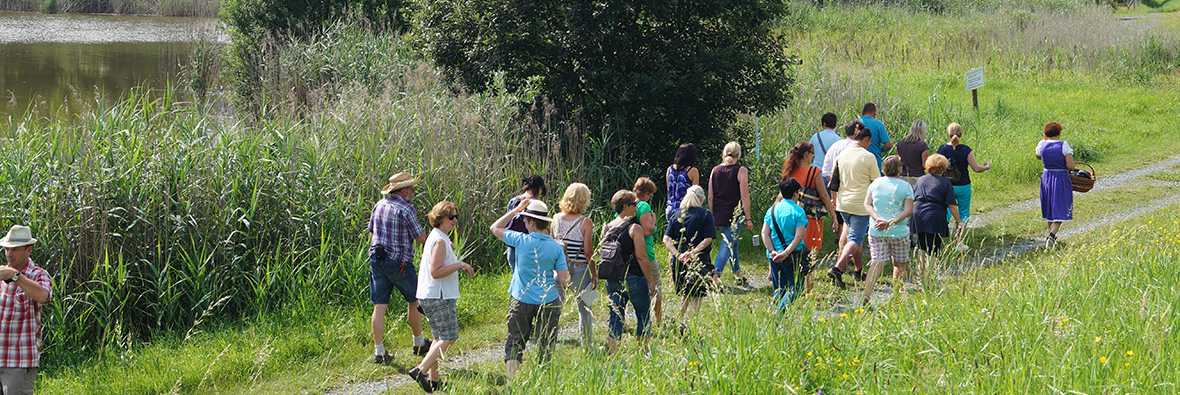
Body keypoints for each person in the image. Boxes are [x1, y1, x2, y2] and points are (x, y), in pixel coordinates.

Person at [490, 199, 569, 379]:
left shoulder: (520, 240)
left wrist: (515, 210)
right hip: (548, 300)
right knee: (546, 343)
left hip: (521, 298)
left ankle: (512, 383)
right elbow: (563, 278)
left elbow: (495, 228)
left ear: (531, 222)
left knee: (515, 340)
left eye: (525, 220)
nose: (524, 224)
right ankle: (542, 382)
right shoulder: (556, 247)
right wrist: (550, 276)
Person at [408, 202, 476, 393]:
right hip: (439, 296)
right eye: (451, 217)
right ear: (440, 219)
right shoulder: (439, 240)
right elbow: (436, 271)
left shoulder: (438, 238)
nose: (455, 220)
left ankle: (435, 381)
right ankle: (420, 370)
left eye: (456, 217)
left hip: (429, 295)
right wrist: (460, 264)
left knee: (438, 339)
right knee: (449, 337)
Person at [368, 173, 430, 364]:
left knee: (380, 306)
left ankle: (379, 352)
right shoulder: (406, 209)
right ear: (404, 191)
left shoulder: (379, 205)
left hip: (377, 260)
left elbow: (371, 232)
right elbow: (420, 238)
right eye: (411, 189)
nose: (413, 192)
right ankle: (418, 342)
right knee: (414, 300)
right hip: (400, 263)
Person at [780, 141, 837, 296]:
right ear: (807, 154)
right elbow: (824, 195)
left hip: (790, 217)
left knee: (792, 252)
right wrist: (834, 216)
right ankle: (809, 292)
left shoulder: (789, 171)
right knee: (810, 257)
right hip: (810, 219)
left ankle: (788, 289)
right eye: (812, 153)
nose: (813, 156)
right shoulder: (814, 172)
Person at [0, 225, 52, 395]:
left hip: (19, 359)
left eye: (14, 249)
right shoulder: (1, 274)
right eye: (7, 249)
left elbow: (43, 296)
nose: (9, 253)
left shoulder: (39, 275)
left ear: (29, 250)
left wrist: (15, 276)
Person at [827, 126, 880, 289]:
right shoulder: (868, 157)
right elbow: (876, 183)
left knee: (853, 236)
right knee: (855, 239)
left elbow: (834, 181)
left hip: (844, 204)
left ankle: (858, 271)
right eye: (869, 142)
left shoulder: (842, 155)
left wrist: (834, 201)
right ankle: (838, 268)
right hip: (860, 204)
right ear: (866, 139)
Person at [603, 190, 656, 354]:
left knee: (616, 316)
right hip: (634, 277)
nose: (637, 207)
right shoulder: (635, 228)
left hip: (613, 278)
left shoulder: (607, 227)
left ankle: (613, 355)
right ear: (625, 207)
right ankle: (644, 353)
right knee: (643, 314)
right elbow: (641, 256)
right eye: (634, 204)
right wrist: (651, 281)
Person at [862, 156, 914, 306]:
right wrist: (890, 222)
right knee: (899, 263)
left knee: (877, 262)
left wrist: (878, 219)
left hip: (877, 230)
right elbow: (908, 210)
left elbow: (867, 204)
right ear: (899, 168)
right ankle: (897, 297)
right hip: (898, 231)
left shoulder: (875, 184)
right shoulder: (906, 186)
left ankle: (866, 296)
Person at [661, 185, 714, 333]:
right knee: (697, 295)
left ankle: (680, 321)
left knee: (686, 294)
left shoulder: (677, 214)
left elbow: (666, 239)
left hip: (679, 262)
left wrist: (678, 255)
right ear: (701, 198)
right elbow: (708, 238)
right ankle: (689, 326)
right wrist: (694, 252)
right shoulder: (705, 214)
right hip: (700, 260)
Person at [552, 183, 596, 349]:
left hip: (558, 269)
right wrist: (594, 274)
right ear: (584, 200)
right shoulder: (585, 222)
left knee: (554, 309)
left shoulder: (555, 219)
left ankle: (549, 343)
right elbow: (588, 252)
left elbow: (552, 246)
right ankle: (587, 347)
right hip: (579, 269)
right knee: (585, 310)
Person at [936, 122, 992, 251]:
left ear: (948, 134)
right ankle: (959, 243)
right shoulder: (966, 150)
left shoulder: (941, 149)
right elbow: (976, 168)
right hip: (963, 185)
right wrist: (987, 166)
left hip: (946, 186)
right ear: (961, 134)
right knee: (963, 214)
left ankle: (938, 243)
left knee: (944, 212)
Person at [823, 120, 866, 277]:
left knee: (843, 229)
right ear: (858, 133)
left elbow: (827, 171)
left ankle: (844, 263)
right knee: (855, 233)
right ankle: (850, 268)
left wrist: (836, 188)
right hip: (853, 195)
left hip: (839, 195)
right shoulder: (856, 149)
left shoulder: (835, 145)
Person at [709, 141, 753, 285]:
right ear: (738, 154)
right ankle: (715, 274)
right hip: (735, 213)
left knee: (732, 243)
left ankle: (737, 272)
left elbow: (710, 196)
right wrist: (748, 218)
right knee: (727, 244)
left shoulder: (714, 170)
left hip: (719, 212)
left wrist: (712, 214)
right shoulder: (741, 170)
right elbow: (745, 197)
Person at [910, 154, 960, 283]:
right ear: (944, 168)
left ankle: (921, 275)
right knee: (934, 247)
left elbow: (913, 197)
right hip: (934, 215)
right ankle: (929, 278)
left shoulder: (920, 180)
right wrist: (959, 222)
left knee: (921, 244)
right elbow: (952, 205)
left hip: (918, 212)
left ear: (928, 166)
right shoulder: (946, 183)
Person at [761, 178, 809, 309]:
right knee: (796, 289)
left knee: (779, 289)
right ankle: (779, 314)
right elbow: (798, 236)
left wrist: (772, 251)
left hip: (774, 256)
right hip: (793, 255)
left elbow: (764, 233)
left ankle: (777, 319)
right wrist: (786, 253)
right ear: (795, 193)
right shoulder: (798, 211)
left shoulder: (771, 210)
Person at [620, 177, 661, 325]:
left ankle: (622, 319)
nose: (650, 198)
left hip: (625, 255)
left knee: (627, 288)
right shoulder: (643, 206)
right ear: (645, 194)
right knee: (657, 285)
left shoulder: (623, 206)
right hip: (645, 252)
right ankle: (658, 320)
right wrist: (654, 221)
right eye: (650, 195)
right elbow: (648, 231)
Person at [1036, 121, 1075, 248]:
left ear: (1046, 133)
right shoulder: (1064, 146)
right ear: (1059, 133)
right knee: (1062, 206)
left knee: (1050, 206)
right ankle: (1051, 236)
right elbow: (1070, 166)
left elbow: (1038, 156)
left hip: (1047, 177)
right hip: (1060, 178)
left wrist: (1044, 139)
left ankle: (1051, 235)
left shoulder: (1042, 145)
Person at [504, 175, 548, 271]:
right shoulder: (534, 204)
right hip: (528, 246)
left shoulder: (513, 201)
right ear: (539, 188)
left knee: (516, 277)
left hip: (512, 245)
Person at [665, 143, 701, 220]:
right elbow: (695, 193)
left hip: (670, 209)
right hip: (684, 210)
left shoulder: (669, 169)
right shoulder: (692, 171)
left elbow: (669, 189)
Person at [896, 119, 930, 187]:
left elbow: (897, 161)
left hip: (902, 177)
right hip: (917, 178)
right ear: (922, 131)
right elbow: (925, 165)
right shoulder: (922, 145)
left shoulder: (901, 143)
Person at [859, 103, 893, 168]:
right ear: (874, 112)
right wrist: (880, 150)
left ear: (862, 112)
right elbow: (888, 145)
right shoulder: (878, 125)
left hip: (858, 162)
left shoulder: (855, 124)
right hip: (875, 162)